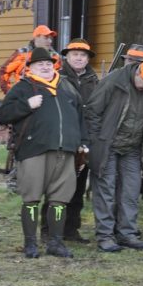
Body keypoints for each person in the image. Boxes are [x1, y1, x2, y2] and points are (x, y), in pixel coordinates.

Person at [0, 47, 87, 259]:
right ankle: (31, 243)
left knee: (60, 199)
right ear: (31, 68)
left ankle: (55, 242)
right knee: (31, 198)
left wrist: (83, 142)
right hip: (33, 150)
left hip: (65, 151)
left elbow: (81, 116)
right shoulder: (23, 87)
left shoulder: (67, 86)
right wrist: (26, 105)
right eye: (40, 64)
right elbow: (3, 114)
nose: (45, 67)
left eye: (49, 63)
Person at [85, 44, 143, 252]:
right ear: (137, 71)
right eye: (142, 82)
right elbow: (92, 112)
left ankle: (127, 233)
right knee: (106, 190)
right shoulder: (113, 81)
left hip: (132, 147)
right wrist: (96, 142)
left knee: (130, 191)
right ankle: (105, 236)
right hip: (107, 144)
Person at [45, 38, 98, 243]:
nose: (79, 58)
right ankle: (48, 230)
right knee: (57, 188)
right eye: (75, 54)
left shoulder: (93, 80)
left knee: (78, 187)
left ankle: (71, 230)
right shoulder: (57, 77)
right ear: (66, 56)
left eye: (83, 55)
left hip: (84, 140)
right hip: (64, 139)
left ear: (87, 59)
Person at [0, 25, 61, 192]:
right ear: (36, 37)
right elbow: (4, 72)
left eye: (51, 37)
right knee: (17, 142)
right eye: (46, 37)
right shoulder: (21, 53)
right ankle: (15, 182)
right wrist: (11, 94)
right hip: (23, 102)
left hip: (45, 103)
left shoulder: (55, 56)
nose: (49, 40)